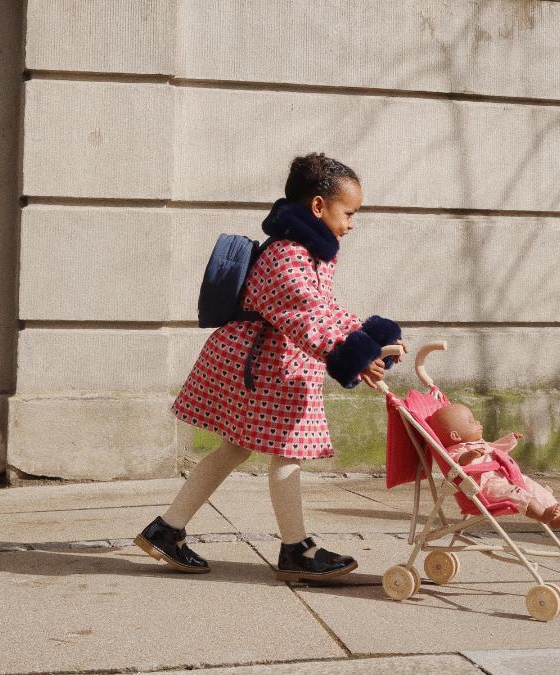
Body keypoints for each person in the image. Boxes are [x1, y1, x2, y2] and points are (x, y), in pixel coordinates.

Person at [134, 152, 406, 581]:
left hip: (273, 366)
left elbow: (323, 309)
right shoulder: (287, 256)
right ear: (318, 206)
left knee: (236, 448)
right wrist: (357, 352)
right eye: (348, 213)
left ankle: (167, 529)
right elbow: (305, 315)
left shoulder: (308, 254)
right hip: (261, 367)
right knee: (286, 451)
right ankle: (295, 549)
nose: (352, 224)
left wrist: (370, 336)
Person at [427, 403, 560, 529]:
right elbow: (456, 462)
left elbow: (495, 448)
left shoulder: (479, 444)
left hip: (505, 477)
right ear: (455, 436)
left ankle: (554, 518)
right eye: (471, 421)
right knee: (517, 493)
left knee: (532, 486)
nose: (478, 422)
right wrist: (469, 456)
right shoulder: (457, 450)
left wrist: (510, 440)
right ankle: (542, 515)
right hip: (487, 488)